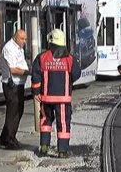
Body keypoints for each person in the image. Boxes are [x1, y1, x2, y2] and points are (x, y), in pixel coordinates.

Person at [31, 29, 81, 158]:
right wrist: (67, 82)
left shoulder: (42, 57)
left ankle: (44, 146)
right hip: (63, 99)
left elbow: (35, 76)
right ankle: (62, 151)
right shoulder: (69, 59)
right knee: (63, 123)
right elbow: (76, 74)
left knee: (45, 121)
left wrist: (36, 91)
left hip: (46, 98)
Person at [0, 29, 30, 149]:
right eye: (22, 39)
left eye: (25, 39)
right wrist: (28, 72)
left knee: (19, 110)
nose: (24, 41)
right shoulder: (9, 48)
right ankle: (9, 139)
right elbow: (13, 69)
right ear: (15, 37)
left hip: (19, 84)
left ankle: (6, 137)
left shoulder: (19, 48)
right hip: (12, 85)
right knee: (13, 112)